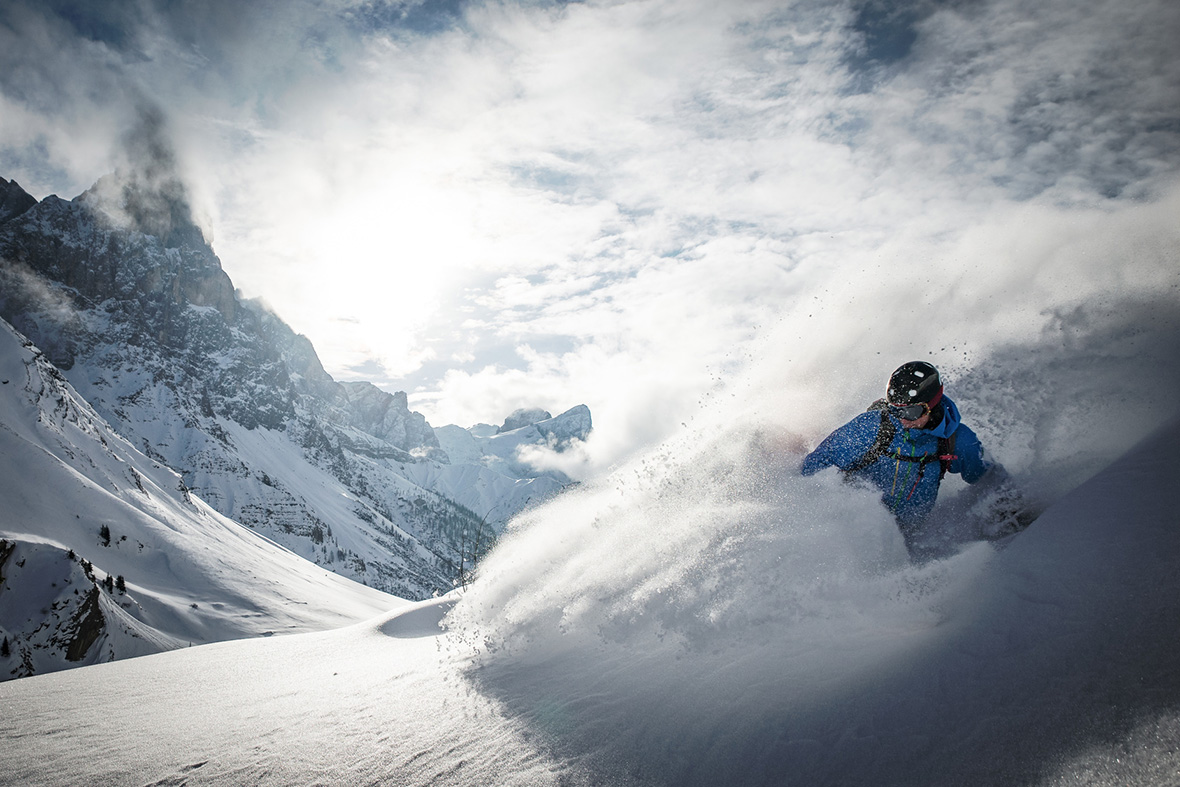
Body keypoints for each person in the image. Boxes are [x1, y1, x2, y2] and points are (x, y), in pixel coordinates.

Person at [800, 361, 999, 558]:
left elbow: (990, 479)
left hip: (913, 539)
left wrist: (1012, 512)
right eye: (895, 409)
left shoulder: (957, 441)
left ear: (931, 405)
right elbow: (813, 467)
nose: (902, 419)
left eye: (911, 412)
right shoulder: (872, 428)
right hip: (856, 534)